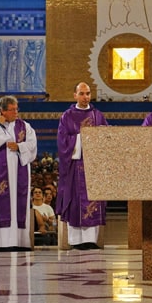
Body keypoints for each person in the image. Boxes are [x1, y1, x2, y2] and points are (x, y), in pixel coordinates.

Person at [56, 83, 108, 250]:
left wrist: (101, 136)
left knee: (93, 200)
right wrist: (83, 137)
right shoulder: (67, 116)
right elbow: (62, 141)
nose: (86, 97)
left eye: (88, 93)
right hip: (75, 166)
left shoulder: (97, 115)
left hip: (94, 166)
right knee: (75, 201)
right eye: (82, 93)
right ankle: (77, 240)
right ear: (75, 95)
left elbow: (107, 137)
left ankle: (91, 240)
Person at [0, 96, 37, 252]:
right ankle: (0, 243)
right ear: (2, 111)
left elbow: (33, 145)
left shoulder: (25, 126)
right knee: (2, 202)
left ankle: (20, 241)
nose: (16, 112)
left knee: (19, 203)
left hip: (20, 170)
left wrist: (19, 146)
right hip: (1, 173)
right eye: (12, 109)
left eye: (16, 109)